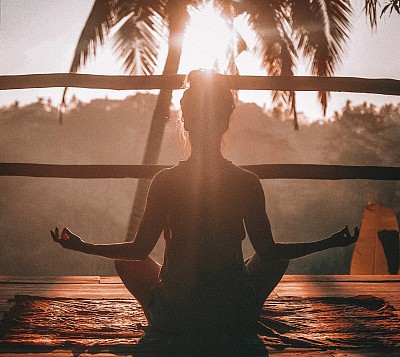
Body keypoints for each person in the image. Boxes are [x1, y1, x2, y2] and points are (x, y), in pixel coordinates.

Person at [51, 69, 359, 338]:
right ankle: (243, 312)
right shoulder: (246, 182)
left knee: (127, 263)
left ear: (186, 121)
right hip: (233, 316)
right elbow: (269, 252)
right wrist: (329, 242)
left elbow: (137, 251)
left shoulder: (165, 181)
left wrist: (83, 246)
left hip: (176, 318)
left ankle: (163, 317)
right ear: (225, 122)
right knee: (276, 259)